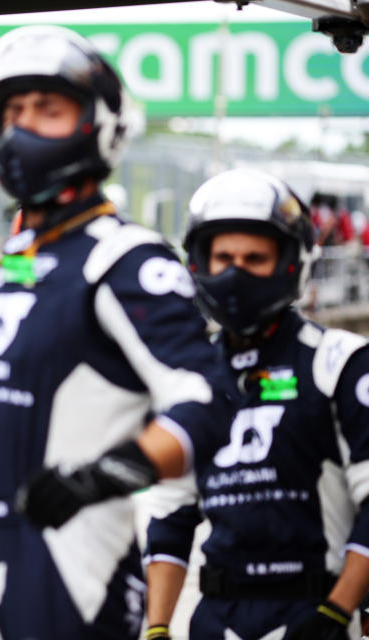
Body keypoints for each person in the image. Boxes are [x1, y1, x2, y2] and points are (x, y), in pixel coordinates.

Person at [0, 25, 234, 639]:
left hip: (78, 569)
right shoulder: (4, 270)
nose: (24, 128)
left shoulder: (128, 259)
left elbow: (208, 401)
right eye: (13, 111)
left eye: (47, 109)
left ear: (100, 122)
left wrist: (106, 476)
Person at [143, 169, 369, 640]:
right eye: (222, 257)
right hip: (216, 620)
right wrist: (158, 627)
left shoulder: (339, 362)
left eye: (255, 258)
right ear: (199, 263)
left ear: (290, 262)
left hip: (315, 616)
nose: (235, 273)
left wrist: (335, 613)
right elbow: (170, 518)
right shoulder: (189, 380)